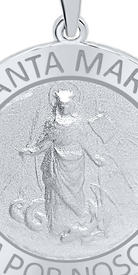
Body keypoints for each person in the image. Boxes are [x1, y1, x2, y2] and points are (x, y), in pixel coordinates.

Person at [19, 83, 105, 240]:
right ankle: (57, 228)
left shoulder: (78, 122)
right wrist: (31, 151)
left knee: (76, 193)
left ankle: (80, 222)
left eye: (67, 104)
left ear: (73, 104)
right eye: (61, 104)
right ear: (57, 105)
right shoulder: (53, 123)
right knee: (57, 195)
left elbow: (85, 141)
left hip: (76, 163)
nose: (64, 107)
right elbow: (45, 143)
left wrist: (94, 157)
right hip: (57, 162)